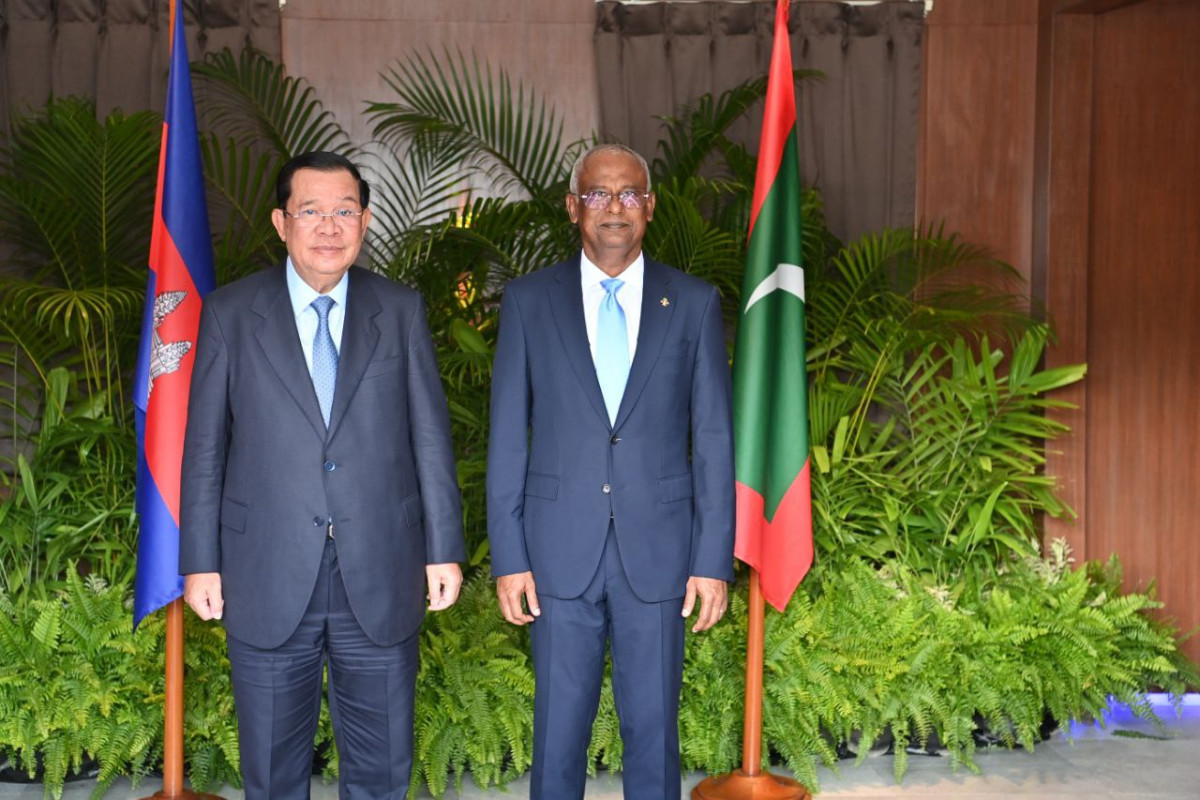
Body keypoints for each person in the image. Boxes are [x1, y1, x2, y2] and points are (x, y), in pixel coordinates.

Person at [179, 151, 466, 800]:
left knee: (382, 768)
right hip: (266, 568)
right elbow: (205, 451)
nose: (329, 227)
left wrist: (444, 548)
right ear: (283, 223)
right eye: (312, 211)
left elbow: (429, 436)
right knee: (275, 774)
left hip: (381, 566)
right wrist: (200, 561)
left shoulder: (398, 310)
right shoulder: (230, 312)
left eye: (345, 211)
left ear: (364, 223)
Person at [487, 143, 735, 800]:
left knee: (654, 737)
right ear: (574, 208)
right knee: (556, 736)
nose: (614, 207)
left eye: (629, 194)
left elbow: (711, 438)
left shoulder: (693, 303)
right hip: (555, 552)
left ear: (650, 208)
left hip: (659, 551)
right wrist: (508, 557)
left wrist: (712, 561)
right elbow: (508, 437)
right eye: (598, 194)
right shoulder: (528, 301)